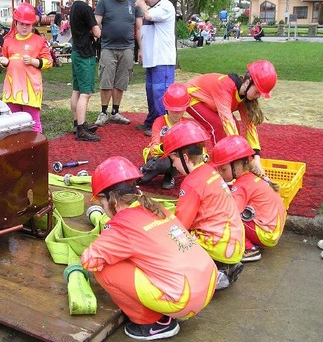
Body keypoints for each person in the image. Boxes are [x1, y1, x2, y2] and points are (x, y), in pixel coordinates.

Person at [81, 156, 217, 341]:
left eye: (101, 203)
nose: (103, 208)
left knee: (104, 269)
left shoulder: (121, 227)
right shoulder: (155, 207)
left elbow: (89, 260)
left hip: (184, 299)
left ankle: (153, 323)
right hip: (208, 283)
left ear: (109, 199)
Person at [161, 121, 245, 291]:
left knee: (171, 238)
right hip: (233, 244)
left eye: (173, 160)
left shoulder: (191, 183)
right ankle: (223, 266)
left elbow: (181, 225)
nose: (174, 166)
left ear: (185, 158)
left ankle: (211, 272)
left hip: (217, 246)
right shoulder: (210, 172)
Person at [184, 60, 277, 175]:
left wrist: (256, 158)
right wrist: (242, 159)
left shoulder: (245, 95)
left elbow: (250, 125)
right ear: (248, 82)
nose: (257, 97)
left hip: (211, 102)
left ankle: (229, 167)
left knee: (235, 126)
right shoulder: (226, 87)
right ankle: (219, 168)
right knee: (218, 126)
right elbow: (227, 122)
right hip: (192, 96)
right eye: (257, 92)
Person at [211, 135, 286, 262]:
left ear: (237, 165)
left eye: (223, 169)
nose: (220, 173)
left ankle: (249, 249)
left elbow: (230, 212)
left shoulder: (242, 185)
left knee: (225, 218)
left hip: (266, 234)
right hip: (273, 230)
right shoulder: (251, 177)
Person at [94, 0, 143, 128]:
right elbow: (96, 23)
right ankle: (103, 112)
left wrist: (140, 48)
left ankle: (115, 112)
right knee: (106, 80)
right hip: (108, 47)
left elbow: (139, 28)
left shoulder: (134, 5)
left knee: (121, 81)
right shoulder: (104, 2)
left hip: (127, 48)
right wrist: (97, 36)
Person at [0, 2, 52, 133]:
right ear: (15, 23)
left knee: (33, 122)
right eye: (21, 23)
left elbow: (49, 62)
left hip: (31, 90)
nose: (24, 27)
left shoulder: (39, 40)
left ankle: (36, 148)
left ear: (32, 24)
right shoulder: (8, 41)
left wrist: (34, 61)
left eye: (27, 24)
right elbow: (4, 60)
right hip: (11, 90)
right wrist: (3, 62)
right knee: (13, 123)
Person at [134, 0, 176, 137]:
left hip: (162, 58)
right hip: (152, 57)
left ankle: (162, 125)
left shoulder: (165, 6)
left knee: (161, 92)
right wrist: (142, 50)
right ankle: (152, 120)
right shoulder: (153, 7)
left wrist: (141, 5)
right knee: (151, 91)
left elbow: (149, 16)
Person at [139, 83, 191, 189]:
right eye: (173, 109)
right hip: (160, 156)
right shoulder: (159, 122)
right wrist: (165, 147)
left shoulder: (187, 124)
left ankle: (170, 175)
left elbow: (196, 145)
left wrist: (202, 155)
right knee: (164, 162)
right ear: (167, 107)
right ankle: (142, 175)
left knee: (187, 159)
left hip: (177, 157)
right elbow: (154, 146)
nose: (176, 113)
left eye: (179, 110)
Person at [69, 0, 102, 141]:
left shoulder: (73, 6)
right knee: (86, 92)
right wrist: (95, 31)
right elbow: (97, 32)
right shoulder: (85, 8)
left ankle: (77, 123)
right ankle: (81, 130)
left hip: (76, 51)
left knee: (76, 89)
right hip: (85, 54)